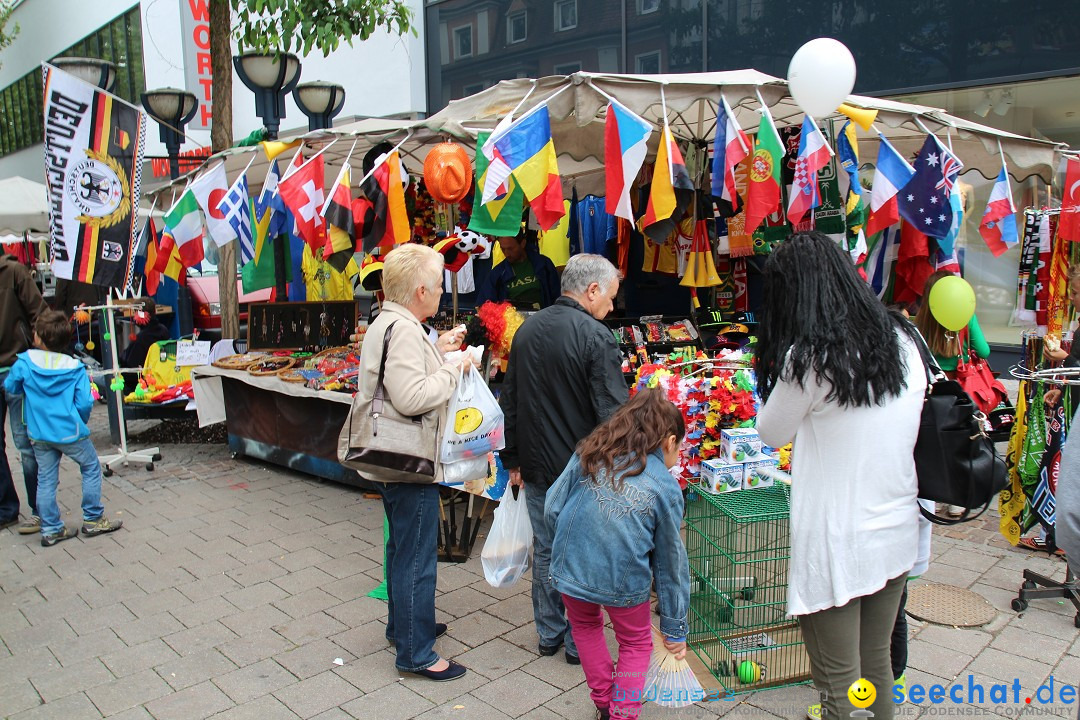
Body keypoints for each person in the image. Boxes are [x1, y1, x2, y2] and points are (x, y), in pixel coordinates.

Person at [754, 232, 925, 720]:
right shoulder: (902, 339)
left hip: (837, 543)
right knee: (877, 667)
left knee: (839, 687)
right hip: (895, 528)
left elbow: (770, 432)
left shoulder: (808, 359)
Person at [355, 243, 477, 682]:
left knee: (401, 549)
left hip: (391, 459)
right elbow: (411, 397)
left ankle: (403, 626)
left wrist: (437, 351)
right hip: (409, 460)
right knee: (417, 557)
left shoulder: (389, 321)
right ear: (421, 289)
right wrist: (454, 367)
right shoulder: (404, 329)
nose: (444, 291)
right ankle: (416, 652)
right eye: (440, 284)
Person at [500, 253, 629, 665]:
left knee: (547, 549)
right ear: (591, 290)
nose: (611, 306)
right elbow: (613, 412)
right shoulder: (595, 336)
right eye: (609, 297)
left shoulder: (526, 330)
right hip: (582, 468)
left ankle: (549, 634)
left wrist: (512, 459)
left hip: (537, 466)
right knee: (581, 553)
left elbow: (511, 402)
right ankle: (578, 644)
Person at [545, 388, 690, 720]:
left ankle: (603, 701)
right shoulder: (665, 487)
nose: (678, 455)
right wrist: (674, 628)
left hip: (571, 567)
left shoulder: (591, 452)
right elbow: (671, 565)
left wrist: (568, 548)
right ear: (668, 441)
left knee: (583, 626)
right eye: (679, 447)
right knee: (636, 643)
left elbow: (553, 507)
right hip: (623, 578)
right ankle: (622, 712)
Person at [4, 310, 123, 546]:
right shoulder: (74, 367)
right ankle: (92, 518)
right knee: (90, 466)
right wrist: (78, 419)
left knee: (45, 478)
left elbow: (11, 387)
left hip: (39, 432)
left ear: (38, 337)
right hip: (70, 431)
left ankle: (50, 528)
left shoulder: (25, 362)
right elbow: (85, 402)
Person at [914, 270, 992, 519]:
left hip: (932, 391)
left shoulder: (921, 320)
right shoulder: (965, 318)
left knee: (931, 443)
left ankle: (932, 496)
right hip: (962, 392)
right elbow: (984, 350)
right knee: (962, 442)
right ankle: (958, 500)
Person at [0, 250, 48, 533]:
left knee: (24, 442)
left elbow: (40, 314)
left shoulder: (15, 272)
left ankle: (40, 509)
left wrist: (36, 355)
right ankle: (7, 508)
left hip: (17, 366)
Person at [475, 230, 560, 309]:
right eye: (503, 249)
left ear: (523, 243)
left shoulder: (543, 264)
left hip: (544, 319)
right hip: (513, 322)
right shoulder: (498, 273)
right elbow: (483, 305)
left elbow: (558, 296)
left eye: (510, 249)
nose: (507, 254)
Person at [119, 298, 172, 393]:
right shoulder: (164, 330)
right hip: (162, 377)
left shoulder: (141, 339)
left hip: (141, 384)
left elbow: (131, 371)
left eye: (135, 313)